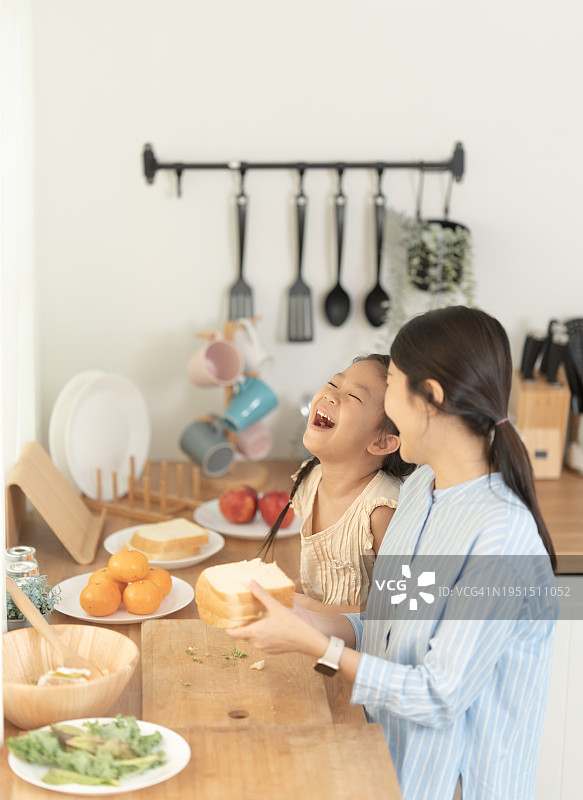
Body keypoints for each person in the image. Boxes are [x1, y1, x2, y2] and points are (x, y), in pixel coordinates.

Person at [228, 306, 558, 800]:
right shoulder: (423, 487)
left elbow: (438, 695)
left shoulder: (501, 536)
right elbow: (390, 625)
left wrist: (318, 646)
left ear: (431, 398)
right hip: (389, 766)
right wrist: (305, 617)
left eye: (395, 384)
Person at [259, 354, 414, 613]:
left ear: (382, 443)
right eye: (333, 383)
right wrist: (283, 595)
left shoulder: (381, 511)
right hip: (312, 633)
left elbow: (395, 608)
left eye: (354, 396)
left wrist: (306, 608)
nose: (331, 395)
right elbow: (320, 581)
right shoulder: (309, 482)